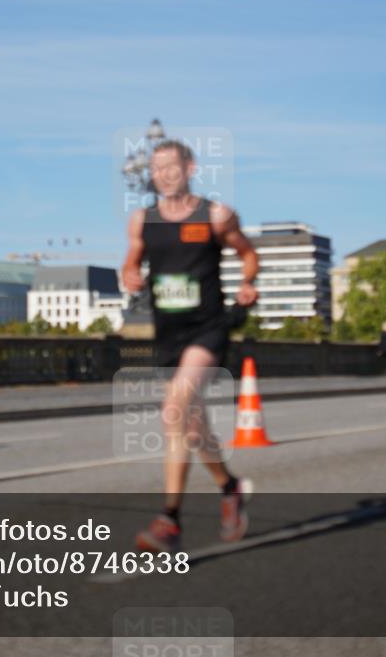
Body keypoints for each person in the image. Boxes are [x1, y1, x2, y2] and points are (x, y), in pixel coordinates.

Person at [121, 139, 259, 553]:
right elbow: (133, 258)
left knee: (175, 408)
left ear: (190, 167)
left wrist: (247, 281)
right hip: (168, 332)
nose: (163, 174)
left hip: (208, 326)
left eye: (171, 166)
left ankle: (170, 521)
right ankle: (229, 487)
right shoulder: (142, 219)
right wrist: (130, 273)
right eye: (156, 168)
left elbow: (248, 254)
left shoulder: (215, 215)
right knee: (192, 425)